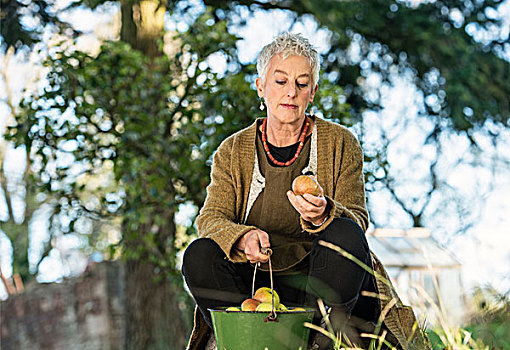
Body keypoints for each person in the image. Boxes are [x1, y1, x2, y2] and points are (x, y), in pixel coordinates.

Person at [182, 33, 424, 350]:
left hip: (324, 286)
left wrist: (326, 212)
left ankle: (318, 343)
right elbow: (211, 218)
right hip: (258, 286)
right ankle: (247, 338)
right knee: (199, 254)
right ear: (261, 87)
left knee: (347, 234)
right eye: (280, 81)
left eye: (301, 83)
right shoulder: (233, 150)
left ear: (313, 92)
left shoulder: (341, 143)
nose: (291, 92)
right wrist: (240, 238)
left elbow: (358, 220)